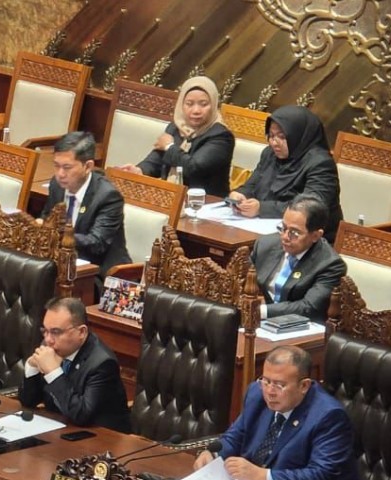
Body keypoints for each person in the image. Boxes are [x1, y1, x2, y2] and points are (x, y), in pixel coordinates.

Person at [193, 346, 368, 480]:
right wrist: (214, 455)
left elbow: (322, 477)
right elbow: (237, 435)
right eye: (266, 381)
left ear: (304, 386)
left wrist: (261, 475)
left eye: (279, 385)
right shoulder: (256, 394)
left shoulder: (328, 416)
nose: (269, 391)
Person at [229, 104, 343, 243]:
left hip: (311, 242)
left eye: (281, 137)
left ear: (297, 135)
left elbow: (309, 207)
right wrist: (240, 195)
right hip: (265, 233)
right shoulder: (270, 154)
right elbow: (253, 184)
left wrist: (261, 209)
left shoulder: (321, 164)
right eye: (271, 136)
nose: (274, 142)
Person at [18, 297, 131, 433]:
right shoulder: (50, 346)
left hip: (100, 440)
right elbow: (29, 401)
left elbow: (81, 415)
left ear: (81, 332)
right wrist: (32, 367)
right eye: (45, 331)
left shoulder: (102, 364)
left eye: (56, 332)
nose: (48, 340)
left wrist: (53, 372)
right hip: (59, 431)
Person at [117, 76, 235, 198]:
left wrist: (169, 146)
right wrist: (140, 170)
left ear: (214, 105)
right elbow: (157, 159)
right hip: (170, 197)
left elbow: (194, 168)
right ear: (181, 105)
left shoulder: (221, 136)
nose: (196, 110)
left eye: (203, 104)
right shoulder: (175, 127)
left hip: (205, 204)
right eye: (189, 104)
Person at [41, 131, 131, 291]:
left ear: (88, 166)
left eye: (67, 167)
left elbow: (97, 243)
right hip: (64, 265)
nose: (60, 174)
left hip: (100, 275)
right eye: (56, 166)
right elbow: (47, 218)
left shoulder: (108, 196)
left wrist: (58, 235)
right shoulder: (56, 186)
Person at [250, 193, 345, 323]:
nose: (284, 237)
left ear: (316, 236)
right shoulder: (265, 244)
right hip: (257, 321)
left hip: (299, 326)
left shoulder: (330, 264)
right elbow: (243, 281)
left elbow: (308, 308)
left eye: (294, 233)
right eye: (283, 228)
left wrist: (261, 310)